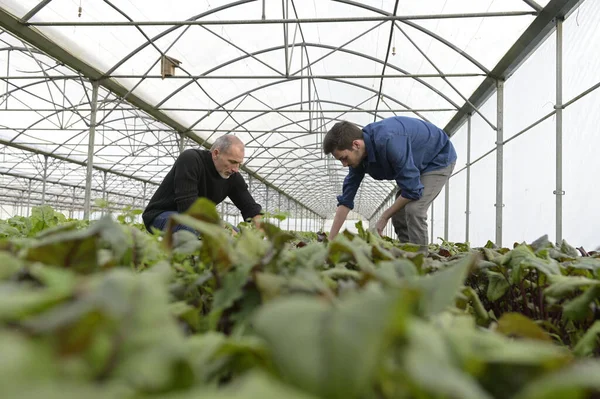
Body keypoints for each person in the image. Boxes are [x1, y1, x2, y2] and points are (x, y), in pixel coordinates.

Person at [323, 116, 457, 247]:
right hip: (415, 164)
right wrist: (331, 240)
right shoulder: (358, 160)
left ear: (356, 145)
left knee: (414, 209)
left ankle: (420, 261)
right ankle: (409, 254)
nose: (344, 164)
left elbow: (412, 189)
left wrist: (384, 217)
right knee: (399, 214)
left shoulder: (389, 140)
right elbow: (346, 201)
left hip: (437, 159)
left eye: (344, 158)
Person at [142, 134, 263, 234]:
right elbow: (188, 209)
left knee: (239, 237)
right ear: (216, 153)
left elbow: (250, 207)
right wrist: (222, 229)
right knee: (191, 232)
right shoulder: (191, 159)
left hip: (196, 218)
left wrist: (259, 227)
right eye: (232, 162)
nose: (235, 169)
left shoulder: (233, 176)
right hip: (161, 215)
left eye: (239, 164)